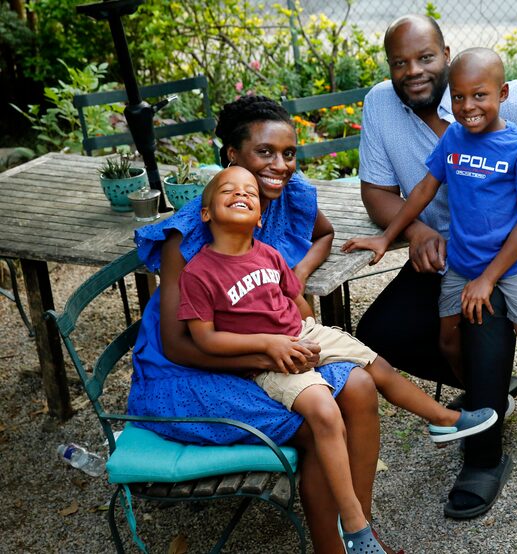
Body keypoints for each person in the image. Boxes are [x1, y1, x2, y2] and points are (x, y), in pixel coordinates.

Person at [355, 15, 517, 519]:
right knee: (380, 330)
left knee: (487, 307)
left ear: (448, 54)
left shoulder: (491, 94)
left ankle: (483, 456)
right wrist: (414, 231)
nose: (413, 71)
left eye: (426, 58)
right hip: (461, 245)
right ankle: (492, 389)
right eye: (399, 62)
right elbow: (377, 191)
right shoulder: (381, 105)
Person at [177, 165, 498, 550]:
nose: (242, 194)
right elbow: (205, 339)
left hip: (303, 335)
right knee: (324, 409)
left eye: (250, 192)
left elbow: (292, 295)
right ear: (206, 212)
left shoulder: (267, 254)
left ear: (260, 216)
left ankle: (443, 419)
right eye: (229, 190)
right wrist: (267, 345)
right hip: (266, 357)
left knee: (377, 366)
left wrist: (311, 327)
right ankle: (354, 523)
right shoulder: (199, 272)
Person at [127, 96, 395, 553]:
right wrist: (266, 351)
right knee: (313, 425)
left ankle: (360, 535)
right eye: (264, 153)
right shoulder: (188, 236)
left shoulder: (279, 195)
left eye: (287, 153)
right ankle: (332, 548)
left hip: (267, 346)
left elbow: (324, 232)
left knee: (362, 387)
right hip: (189, 373)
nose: (280, 165)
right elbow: (175, 345)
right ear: (232, 155)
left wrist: (296, 280)